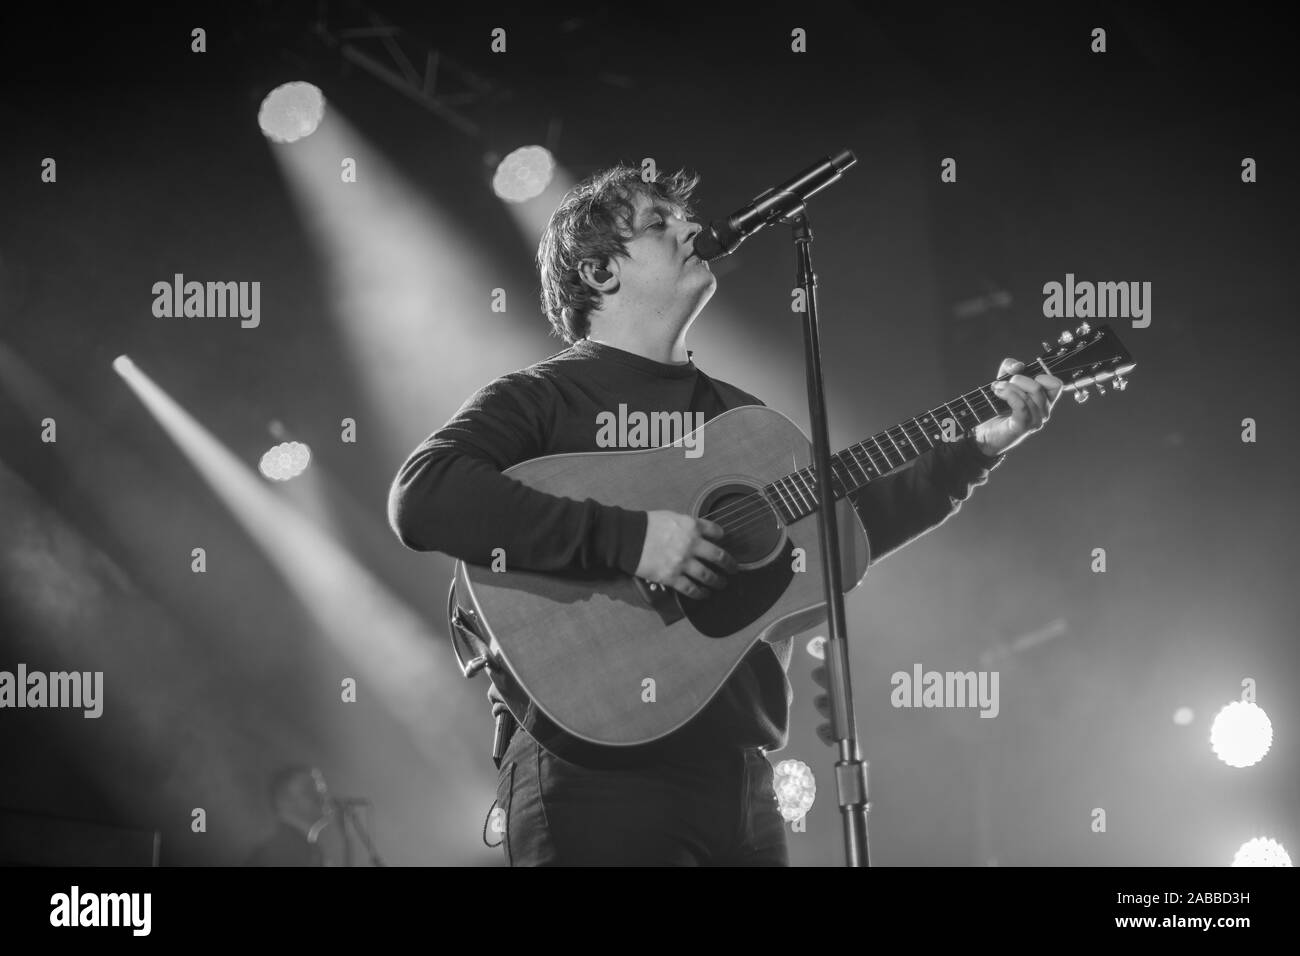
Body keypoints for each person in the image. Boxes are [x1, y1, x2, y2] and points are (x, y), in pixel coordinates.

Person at [387, 163, 1061, 865]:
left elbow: (841, 535)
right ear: (598, 273)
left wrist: (970, 454)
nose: (690, 227)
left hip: (741, 781)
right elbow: (425, 495)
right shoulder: (542, 397)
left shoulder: (740, 419)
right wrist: (632, 539)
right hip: (595, 782)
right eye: (659, 223)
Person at [246, 765, 351, 866]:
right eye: (309, 790)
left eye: (322, 790)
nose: (322, 797)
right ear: (285, 801)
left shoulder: (305, 849)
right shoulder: (284, 852)